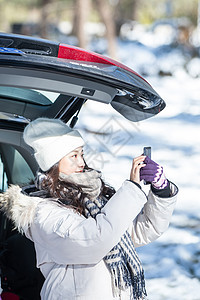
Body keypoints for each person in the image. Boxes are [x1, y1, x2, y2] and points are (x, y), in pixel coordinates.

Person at [0, 118, 178, 300]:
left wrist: (161, 190)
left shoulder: (93, 199)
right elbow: (94, 241)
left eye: (82, 154)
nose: (81, 163)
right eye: (73, 156)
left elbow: (141, 231)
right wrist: (132, 188)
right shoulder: (42, 211)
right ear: (53, 163)